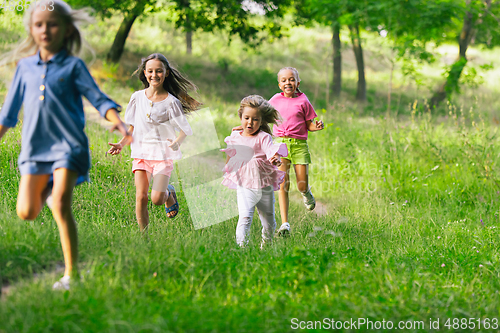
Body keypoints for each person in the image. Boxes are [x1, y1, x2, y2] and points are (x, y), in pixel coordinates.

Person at [0, 0, 131, 290]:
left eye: (53, 24)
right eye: (39, 25)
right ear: (32, 29)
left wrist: (117, 121)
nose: (45, 30)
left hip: (68, 146)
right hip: (35, 150)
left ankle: (72, 276)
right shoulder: (25, 68)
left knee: (60, 204)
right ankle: (48, 190)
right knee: (26, 212)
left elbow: (98, 98)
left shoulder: (73, 66)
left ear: (67, 30)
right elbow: (8, 114)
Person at [107, 53, 201, 232]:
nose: (154, 75)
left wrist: (177, 142)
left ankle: (168, 194)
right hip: (141, 154)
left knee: (156, 199)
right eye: (150, 71)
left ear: (166, 74)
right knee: (141, 197)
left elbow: (185, 129)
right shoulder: (137, 98)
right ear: (144, 73)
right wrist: (121, 143)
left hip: (163, 155)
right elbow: (133, 126)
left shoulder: (172, 102)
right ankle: (144, 238)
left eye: (159, 71)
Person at [221, 95, 288, 248]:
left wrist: (275, 158)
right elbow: (231, 154)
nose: (250, 122)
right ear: (240, 117)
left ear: (262, 121)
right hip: (245, 183)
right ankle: (242, 249)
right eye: (246, 118)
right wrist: (227, 171)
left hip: (264, 184)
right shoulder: (235, 136)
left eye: (255, 119)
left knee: (269, 221)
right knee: (245, 217)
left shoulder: (263, 137)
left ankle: (266, 245)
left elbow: (270, 150)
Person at [270, 67, 324, 236]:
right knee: (282, 184)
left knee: (301, 183)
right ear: (279, 84)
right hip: (280, 145)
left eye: (291, 79)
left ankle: (306, 192)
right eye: (284, 80)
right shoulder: (274, 101)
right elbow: (261, 117)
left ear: (298, 83)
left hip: (299, 145)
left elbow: (309, 124)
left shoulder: (303, 100)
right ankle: (285, 223)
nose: (288, 83)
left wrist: (317, 127)